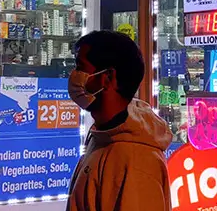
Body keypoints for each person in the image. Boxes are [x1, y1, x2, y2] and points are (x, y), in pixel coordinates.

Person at [66, 31, 172, 211]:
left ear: (107, 77)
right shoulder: (102, 136)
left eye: (80, 67)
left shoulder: (137, 161)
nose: (73, 75)